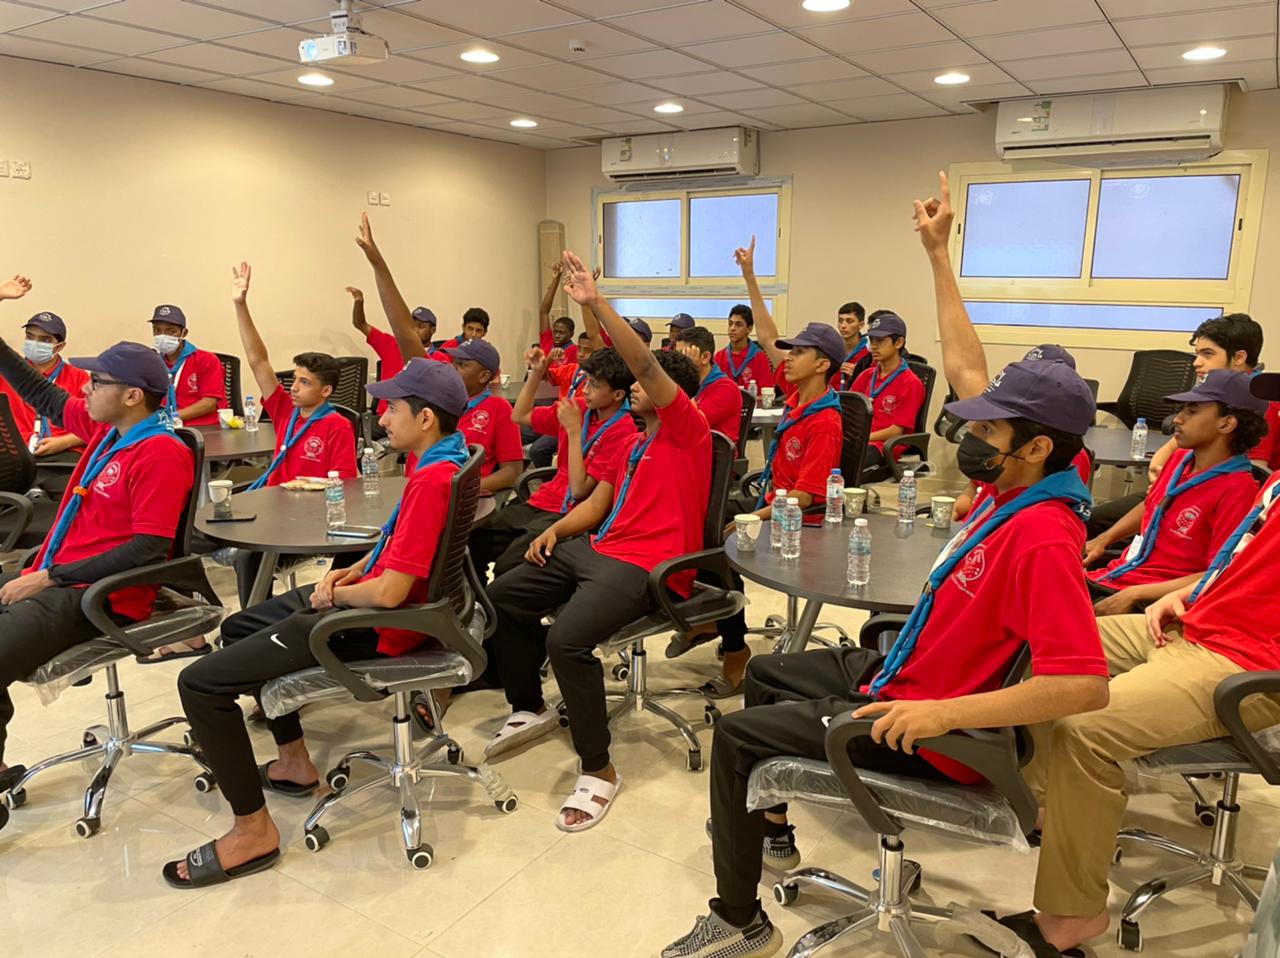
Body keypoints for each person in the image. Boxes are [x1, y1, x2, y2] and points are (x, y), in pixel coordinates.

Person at [662, 171, 1112, 958]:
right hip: (909, 669)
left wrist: (940, 715)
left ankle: (739, 921)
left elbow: (1083, 685)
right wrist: (938, 254)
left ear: (1038, 446)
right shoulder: (1018, 482)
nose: (971, 438)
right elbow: (966, 366)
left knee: (735, 738)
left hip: (933, 724)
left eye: (990, 432)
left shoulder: (1043, 533)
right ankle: (770, 826)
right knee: (768, 672)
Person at [163, 357, 471, 889]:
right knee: (238, 628)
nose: (381, 417)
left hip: (379, 623)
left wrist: (335, 594)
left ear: (426, 419)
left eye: (392, 408)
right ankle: (292, 762)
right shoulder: (447, 460)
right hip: (384, 605)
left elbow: (391, 592)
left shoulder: (429, 480)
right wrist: (355, 567)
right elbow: (398, 549)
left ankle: (253, 832)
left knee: (200, 683)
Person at [1019, 368, 1280, 956]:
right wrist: (1188, 594)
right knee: (1048, 650)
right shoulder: (1276, 486)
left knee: (1084, 726)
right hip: (1195, 624)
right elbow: (1239, 559)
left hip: (1241, 661)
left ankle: (1073, 916)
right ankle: (1048, 810)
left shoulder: (1245, 481)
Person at [483, 250, 711, 834]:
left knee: (567, 640)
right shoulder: (633, 439)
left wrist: (596, 303)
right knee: (502, 597)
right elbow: (597, 501)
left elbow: (646, 365)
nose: (633, 387)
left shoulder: (689, 433)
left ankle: (599, 768)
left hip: (648, 564)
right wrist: (556, 530)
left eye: (642, 384)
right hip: (601, 547)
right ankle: (528, 705)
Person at [0, 274, 195, 794]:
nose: (84, 388)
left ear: (131, 395)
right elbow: (37, 390)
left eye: (96, 382)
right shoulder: (108, 430)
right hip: (60, 577)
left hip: (96, 594)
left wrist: (48, 578)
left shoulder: (161, 452)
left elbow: (147, 548)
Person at [665, 239, 844, 699]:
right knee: (695, 524)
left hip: (799, 518)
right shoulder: (799, 395)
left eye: (799, 352)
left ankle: (734, 646)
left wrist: (751, 516)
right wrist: (749, 277)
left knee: (719, 539)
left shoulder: (825, 421)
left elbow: (806, 497)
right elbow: (767, 336)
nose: (788, 356)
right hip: (770, 499)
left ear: (822, 364)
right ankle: (712, 620)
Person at [226, 262, 358, 610]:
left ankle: (258, 617)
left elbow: (345, 484)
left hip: (305, 521)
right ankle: (252, 614)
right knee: (224, 535)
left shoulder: (337, 426)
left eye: (305, 382)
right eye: (295, 380)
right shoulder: (285, 411)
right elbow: (258, 361)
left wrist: (304, 489)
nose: (294, 387)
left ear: (326, 391)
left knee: (248, 557)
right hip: (273, 510)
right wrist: (241, 305)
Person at [1082, 370, 1265, 616]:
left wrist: (1135, 594)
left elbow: (1217, 574)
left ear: (1226, 423)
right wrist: (1103, 539)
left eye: (1192, 411)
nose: (1177, 419)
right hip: (1118, 576)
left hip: (1152, 598)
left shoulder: (1237, 490)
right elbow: (1153, 504)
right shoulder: (1180, 458)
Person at [1087, 312, 1268, 536]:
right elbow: (1169, 461)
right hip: (1178, 488)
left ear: (1239, 357)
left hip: (1203, 499)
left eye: (1208, 354)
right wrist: (1165, 460)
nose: (1196, 362)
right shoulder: (1210, 396)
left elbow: (1257, 476)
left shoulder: (1256, 405)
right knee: (1093, 521)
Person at [471, 345, 636, 581]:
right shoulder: (579, 407)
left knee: (507, 565)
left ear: (618, 395)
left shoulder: (623, 431)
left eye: (594, 385)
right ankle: (476, 600)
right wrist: (537, 373)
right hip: (544, 500)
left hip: (570, 512)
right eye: (586, 382)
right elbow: (519, 415)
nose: (585, 390)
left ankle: (497, 600)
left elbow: (579, 490)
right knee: (473, 542)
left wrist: (573, 431)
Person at [954, 344, 1093, 521]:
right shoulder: (1003, 481)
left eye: (986, 428)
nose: (970, 434)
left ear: (1036, 449)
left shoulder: (1042, 527)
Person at [437, 337, 523, 501]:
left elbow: (512, 472)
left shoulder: (499, 408)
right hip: (428, 488)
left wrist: (461, 490)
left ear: (483, 376)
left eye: (461, 364)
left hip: (464, 498)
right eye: (453, 362)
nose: (453, 368)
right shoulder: (439, 402)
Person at [0, 309, 89, 463]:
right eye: (30, 337)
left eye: (45, 340)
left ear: (59, 346)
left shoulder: (79, 378)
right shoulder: (8, 373)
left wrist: (64, 442)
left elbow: (96, 426)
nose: (35, 343)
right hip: (15, 454)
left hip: (65, 453)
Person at [849, 312, 926, 473]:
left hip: (882, 446)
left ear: (899, 343)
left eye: (880, 341)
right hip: (857, 441)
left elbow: (896, 430)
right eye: (872, 340)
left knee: (847, 464)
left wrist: (862, 439)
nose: (873, 346)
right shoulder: (866, 376)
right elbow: (848, 411)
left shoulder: (911, 383)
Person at [350, 283, 440, 412]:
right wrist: (359, 302)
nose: (415, 330)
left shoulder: (439, 359)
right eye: (412, 325)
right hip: (385, 416)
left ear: (433, 330)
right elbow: (360, 324)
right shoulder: (391, 344)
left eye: (421, 326)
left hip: (416, 418)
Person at [149, 304, 226, 426]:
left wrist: (170, 418)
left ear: (184, 333)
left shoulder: (206, 360)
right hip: (163, 427)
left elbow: (209, 403)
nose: (163, 336)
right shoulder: (152, 362)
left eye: (171, 331)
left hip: (201, 428)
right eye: (157, 330)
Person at [675, 325, 743, 445]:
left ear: (705, 357)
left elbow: (692, 424)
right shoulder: (686, 382)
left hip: (711, 452)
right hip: (687, 448)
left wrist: (688, 374)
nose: (677, 362)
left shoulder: (726, 389)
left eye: (684, 355)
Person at [714, 304, 773, 390]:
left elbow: (766, 391)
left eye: (738, 325)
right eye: (730, 324)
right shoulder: (719, 357)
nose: (732, 328)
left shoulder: (759, 357)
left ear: (749, 329)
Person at [538, 262, 577, 368]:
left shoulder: (573, 350)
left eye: (562, 332)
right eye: (555, 331)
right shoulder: (548, 340)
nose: (557, 335)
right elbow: (544, 312)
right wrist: (556, 278)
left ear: (571, 334)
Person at [831, 301, 869, 390]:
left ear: (861, 325)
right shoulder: (830, 350)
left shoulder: (869, 352)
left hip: (855, 397)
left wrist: (858, 376)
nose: (843, 326)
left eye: (849, 321)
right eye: (840, 321)